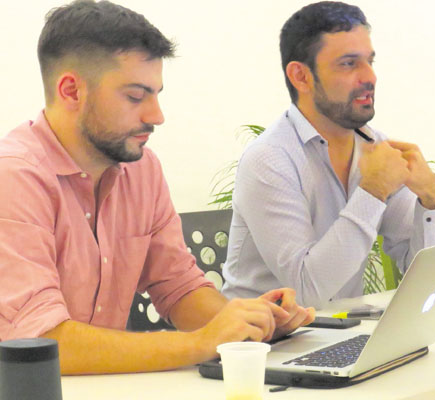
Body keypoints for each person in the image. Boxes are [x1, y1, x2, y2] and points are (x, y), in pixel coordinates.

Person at [0, 0, 314, 375]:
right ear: (71, 91)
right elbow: (44, 344)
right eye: (135, 96)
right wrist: (201, 342)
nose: (156, 116)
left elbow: (178, 287)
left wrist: (251, 324)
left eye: (156, 94)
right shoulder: (14, 176)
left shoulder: (142, 169)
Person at [221, 1, 435, 309]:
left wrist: (432, 198)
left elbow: (425, 277)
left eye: (370, 61)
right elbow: (305, 292)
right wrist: (373, 190)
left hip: (342, 334)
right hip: (264, 346)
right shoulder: (269, 158)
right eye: (348, 64)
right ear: (301, 76)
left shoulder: (377, 148)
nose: (370, 76)